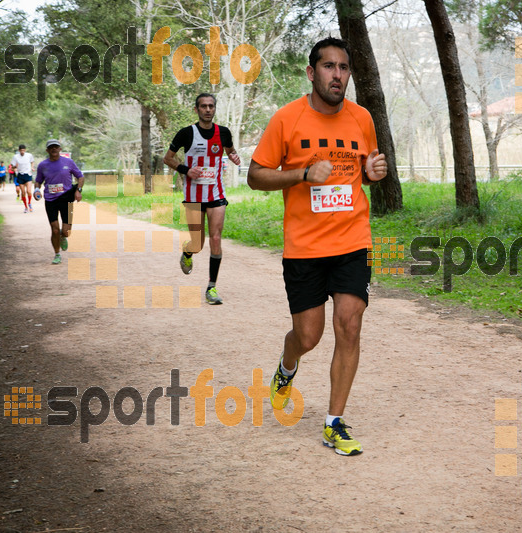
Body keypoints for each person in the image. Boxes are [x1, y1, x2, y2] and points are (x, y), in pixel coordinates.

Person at [247, 37, 387, 456]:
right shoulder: (287, 120)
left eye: (344, 68)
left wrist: (372, 172)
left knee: (350, 325)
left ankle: (334, 422)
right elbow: (256, 176)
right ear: (312, 73)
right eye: (329, 67)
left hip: (351, 240)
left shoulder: (362, 118)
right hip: (305, 247)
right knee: (308, 336)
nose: (337, 75)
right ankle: (287, 367)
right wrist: (302, 174)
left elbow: (362, 169)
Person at [162, 93, 240, 305]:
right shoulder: (186, 133)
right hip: (193, 196)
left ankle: (211, 288)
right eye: (203, 106)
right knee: (198, 243)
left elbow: (231, 150)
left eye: (211, 106)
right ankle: (188, 252)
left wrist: (234, 157)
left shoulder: (223, 133)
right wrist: (186, 170)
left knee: (216, 239)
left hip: (216, 194)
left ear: (215, 109)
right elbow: (167, 158)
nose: (208, 110)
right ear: (196, 109)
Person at [34, 140, 84, 265]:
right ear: (47, 150)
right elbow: (38, 181)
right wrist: (36, 190)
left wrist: (78, 191)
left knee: (66, 231)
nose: (54, 149)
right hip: (51, 200)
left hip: (66, 198)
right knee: (55, 229)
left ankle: (63, 236)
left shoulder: (68, 162)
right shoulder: (42, 165)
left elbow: (80, 177)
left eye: (56, 147)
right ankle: (57, 254)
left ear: (60, 149)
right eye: (51, 147)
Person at [11, 144, 35, 213]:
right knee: (23, 192)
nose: (22, 152)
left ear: (25, 150)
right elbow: (12, 167)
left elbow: (32, 162)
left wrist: (32, 167)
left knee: (29, 191)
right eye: (21, 150)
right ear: (19, 150)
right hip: (20, 175)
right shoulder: (15, 157)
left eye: (23, 150)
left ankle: (29, 203)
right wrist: (14, 168)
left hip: (28, 174)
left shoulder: (29, 155)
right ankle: (26, 207)